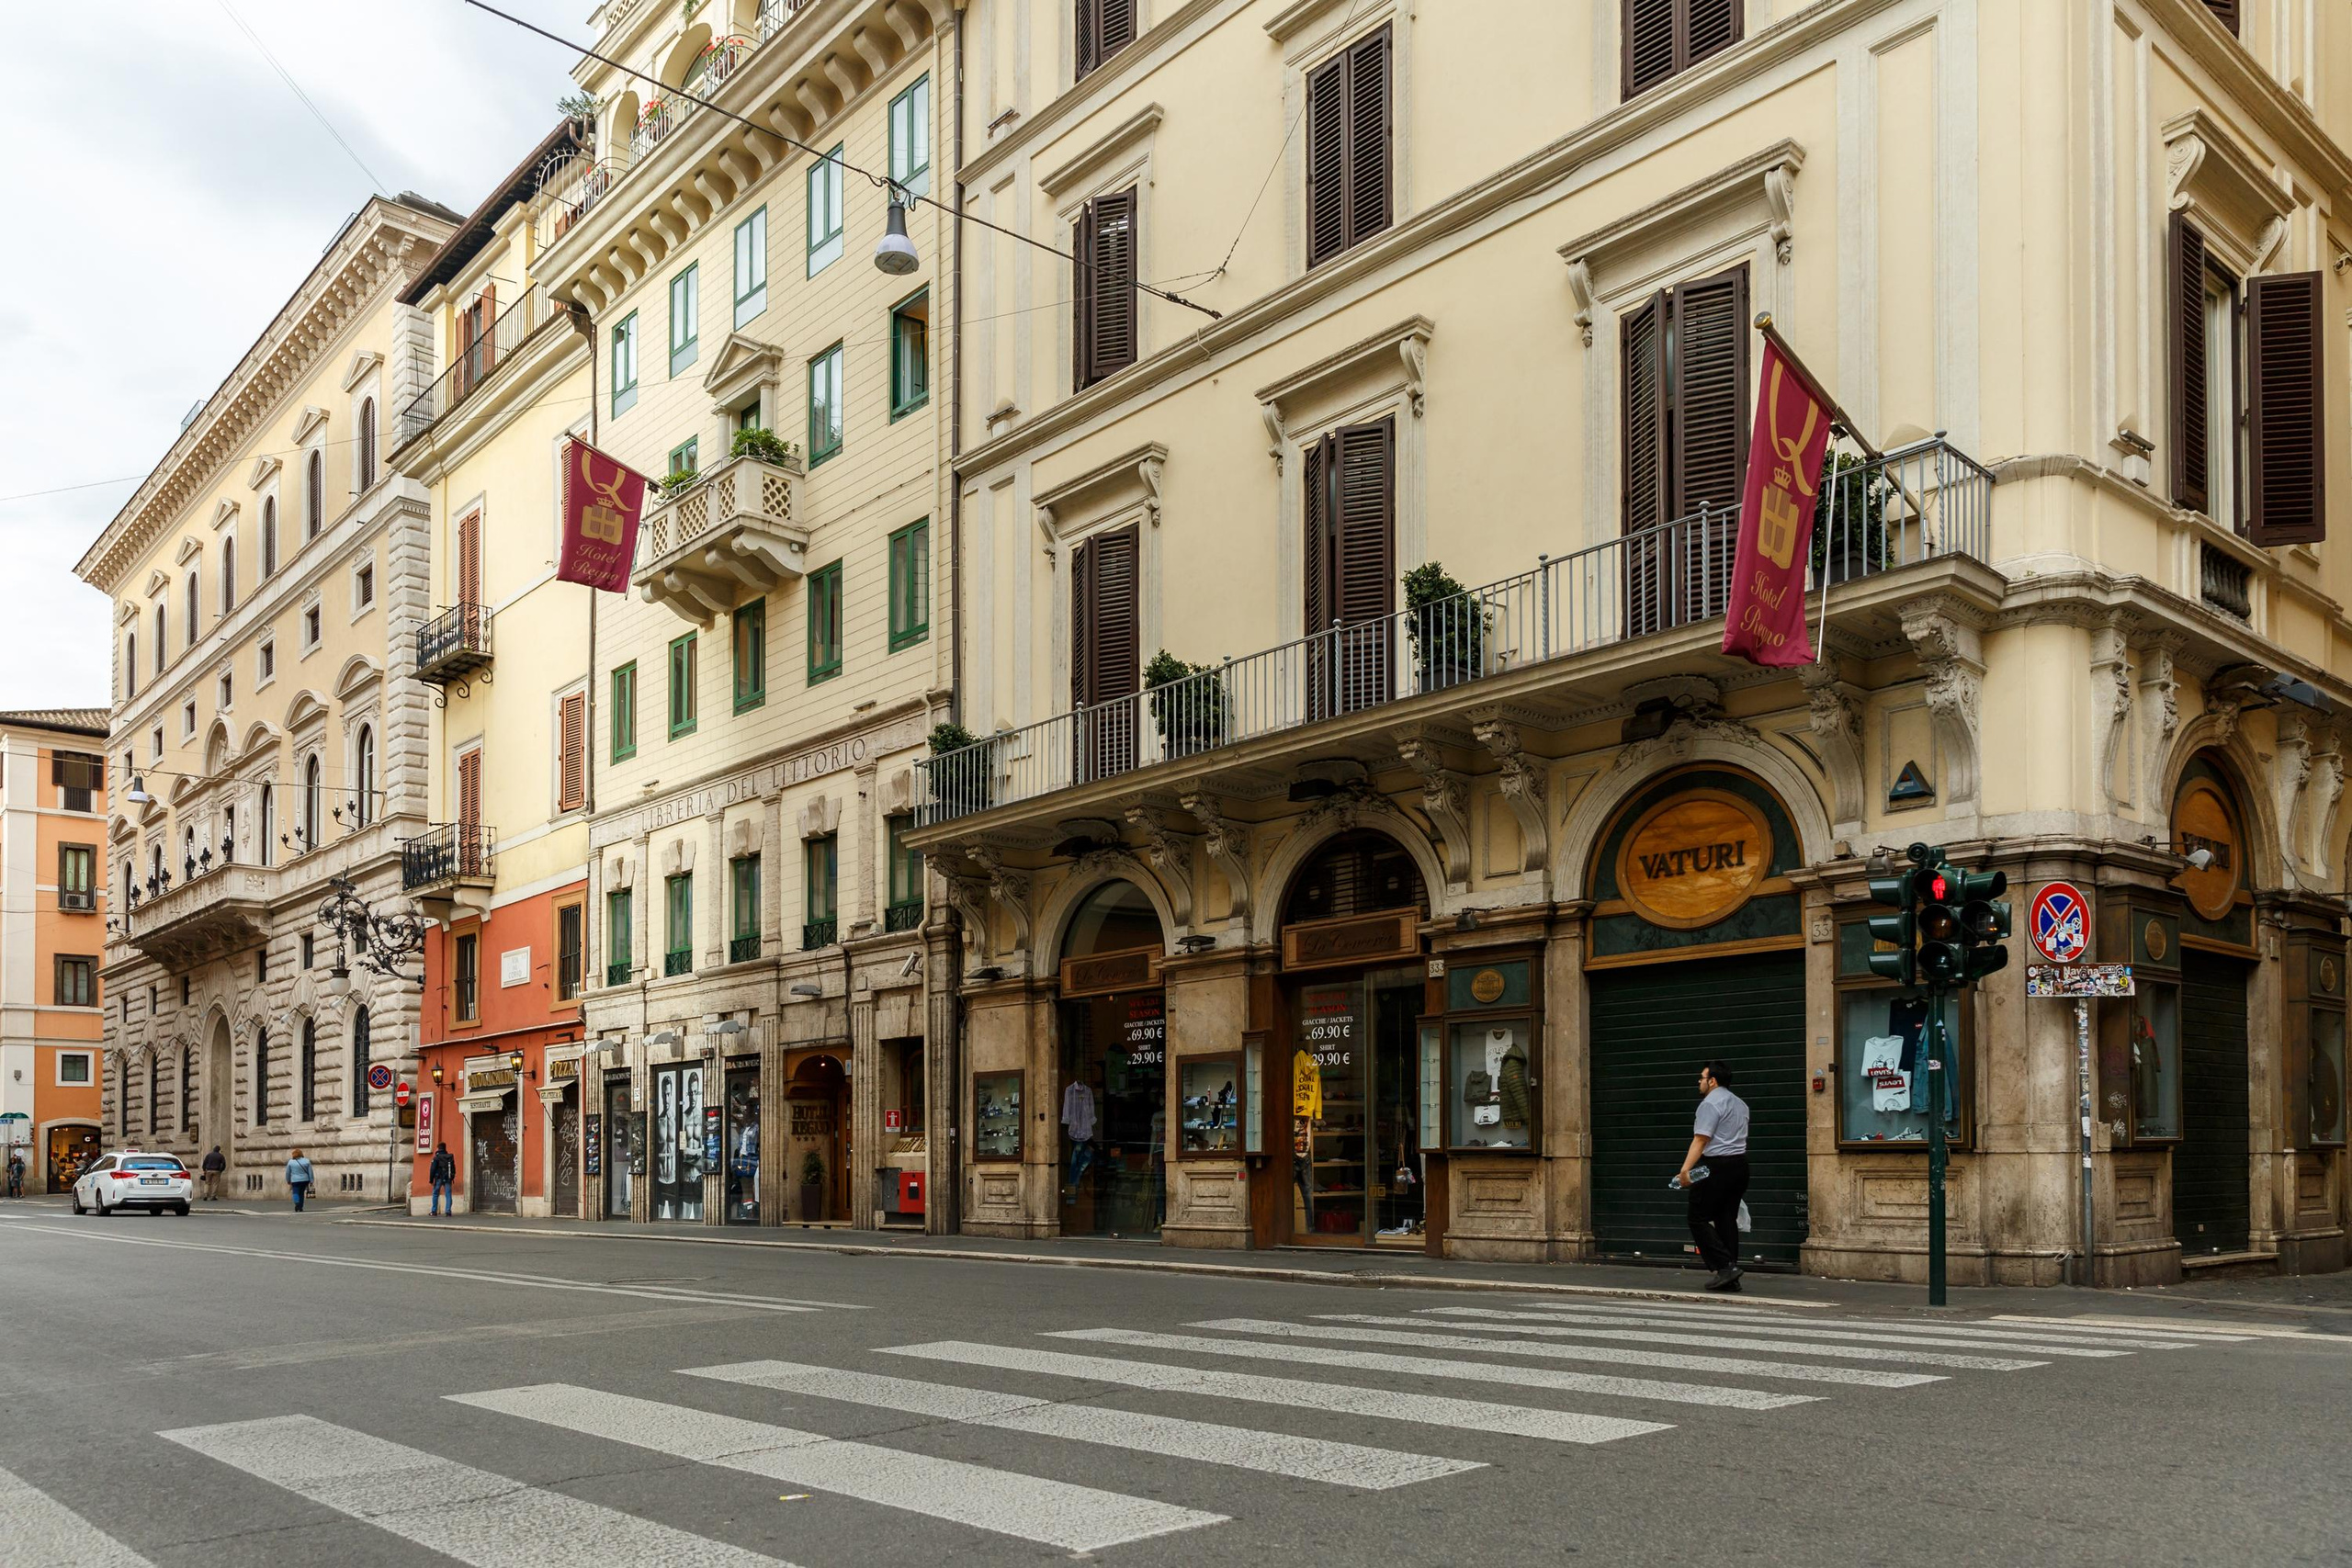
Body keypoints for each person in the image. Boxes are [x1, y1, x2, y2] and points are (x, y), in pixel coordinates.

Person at [1676, 1059, 1751, 1292]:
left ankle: (1725, 1267)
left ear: (1713, 1081)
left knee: (1697, 1217)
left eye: (1702, 1077)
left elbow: (1701, 1139)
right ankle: (1730, 1275)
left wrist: (1685, 1170)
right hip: (1739, 1166)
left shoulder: (1710, 1104)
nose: (1699, 1081)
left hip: (1716, 1166)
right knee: (1725, 1218)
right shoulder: (1741, 1104)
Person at [428, 1143, 456, 1216]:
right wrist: (452, 1177)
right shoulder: (449, 1157)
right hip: (447, 1178)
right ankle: (448, 1211)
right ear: (445, 1148)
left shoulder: (436, 1157)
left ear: (438, 1148)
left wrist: (431, 1180)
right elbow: (453, 1168)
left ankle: (434, 1211)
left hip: (438, 1178)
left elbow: (432, 1169)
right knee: (448, 1194)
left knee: (435, 1194)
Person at [284, 1148, 315, 1213]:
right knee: (301, 1193)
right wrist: (311, 1180)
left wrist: (288, 1180)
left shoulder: (290, 1162)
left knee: (295, 1192)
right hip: (305, 1180)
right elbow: (310, 1172)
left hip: (295, 1180)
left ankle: (297, 1203)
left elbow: (288, 1172)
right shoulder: (306, 1161)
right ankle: (300, 1207)